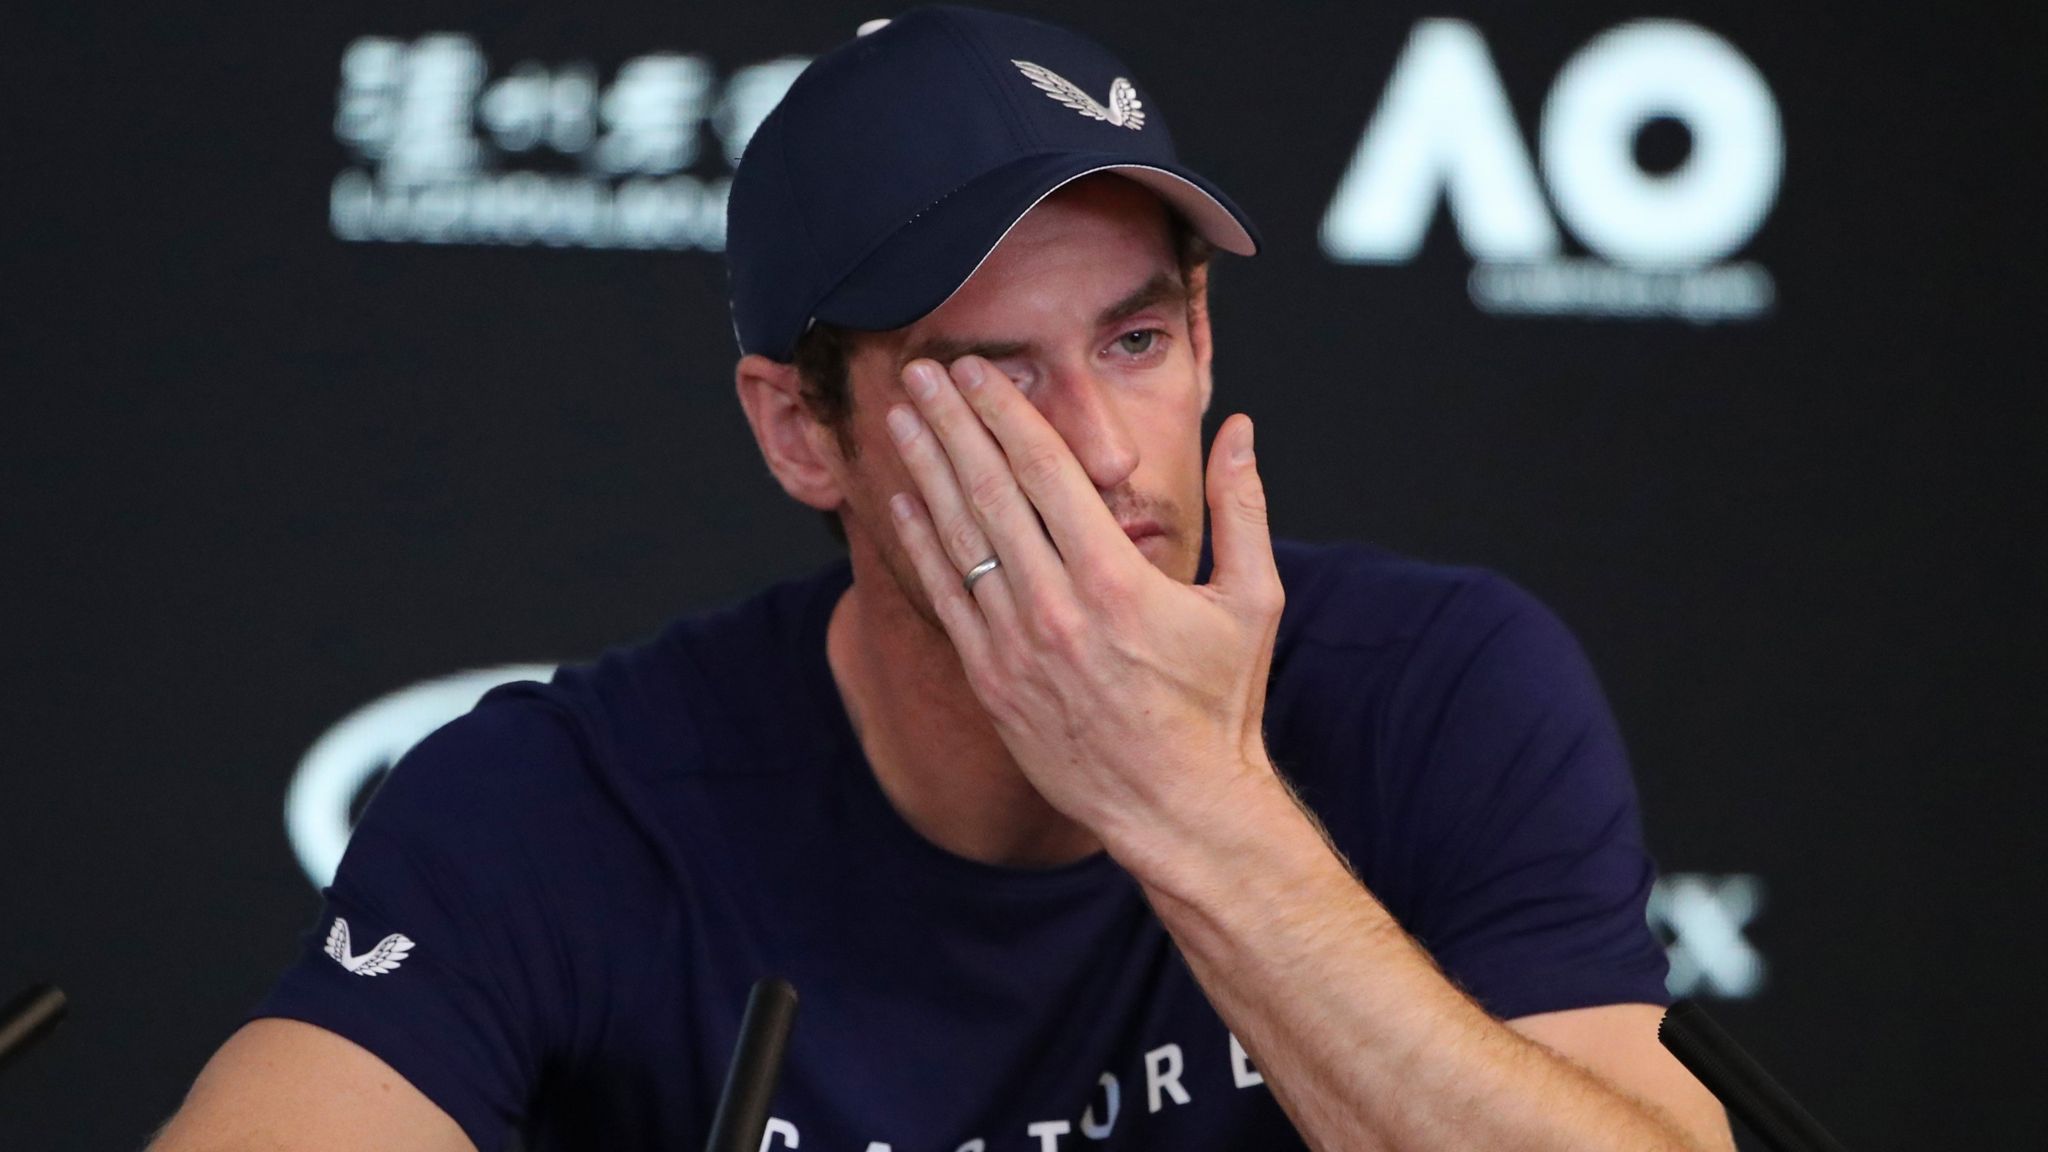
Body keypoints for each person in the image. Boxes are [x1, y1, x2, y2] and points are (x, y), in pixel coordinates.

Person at [152, 8, 1734, 1151]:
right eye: (992, 380)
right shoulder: (571, 801)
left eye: (1137, 340)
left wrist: (1197, 807)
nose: (1104, 451)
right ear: (801, 431)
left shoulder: (1438, 691)